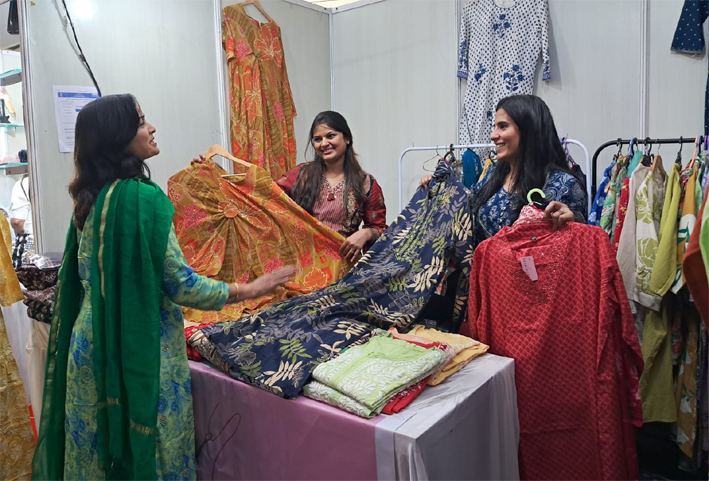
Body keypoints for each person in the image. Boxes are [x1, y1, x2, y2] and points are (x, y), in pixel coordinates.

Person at [32, 94, 294, 480]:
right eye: (140, 122)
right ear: (118, 137)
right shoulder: (143, 199)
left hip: (90, 345)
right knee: (154, 450)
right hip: (142, 346)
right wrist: (250, 288)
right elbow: (181, 285)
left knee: (93, 453)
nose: (151, 128)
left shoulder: (89, 199)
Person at [421, 95, 587, 246]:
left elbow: (579, 249)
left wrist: (572, 225)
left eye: (503, 126)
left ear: (529, 130)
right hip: (486, 270)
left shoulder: (564, 185)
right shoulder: (491, 177)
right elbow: (464, 218)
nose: (493, 135)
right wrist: (436, 191)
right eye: (495, 127)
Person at [276, 111, 388, 262]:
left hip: (344, 267)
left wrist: (366, 233)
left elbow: (381, 229)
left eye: (330, 136)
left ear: (347, 138)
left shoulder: (365, 183)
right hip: (305, 265)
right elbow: (268, 196)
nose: (324, 143)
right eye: (317, 139)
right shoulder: (301, 175)